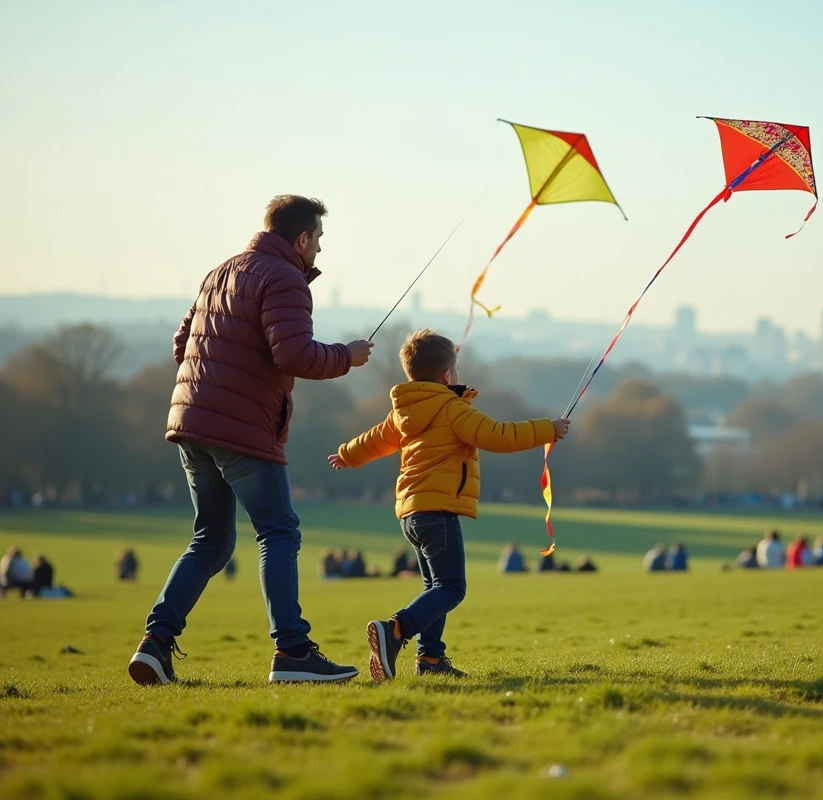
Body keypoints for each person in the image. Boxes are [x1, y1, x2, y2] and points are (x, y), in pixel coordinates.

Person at [129, 195, 373, 687]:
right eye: (319, 240)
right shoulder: (284, 278)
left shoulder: (221, 272)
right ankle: (293, 651)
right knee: (279, 532)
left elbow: (183, 345)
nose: (320, 252)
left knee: (211, 540)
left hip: (191, 421)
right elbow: (295, 355)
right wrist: (348, 355)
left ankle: (155, 645)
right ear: (301, 238)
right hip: (240, 428)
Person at [328, 328, 569, 681]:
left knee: (435, 587)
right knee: (451, 587)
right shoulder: (452, 409)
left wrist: (347, 454)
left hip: (411, 514)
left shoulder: (405, 411)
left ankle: (431, 660)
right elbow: (499, 436)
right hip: (438, 512)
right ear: (446, 376)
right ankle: (395, 630)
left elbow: (376, 439)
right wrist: (548, 429)